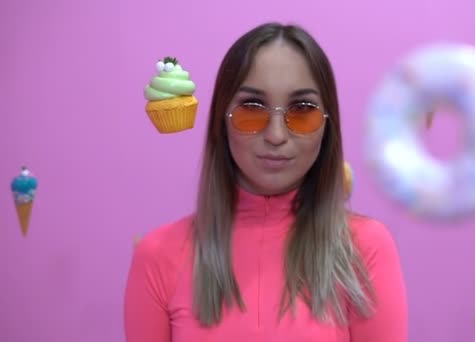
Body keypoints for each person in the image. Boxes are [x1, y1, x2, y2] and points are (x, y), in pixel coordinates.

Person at [124, 22, 408, 342]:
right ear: (222, 120)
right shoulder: (157, 256)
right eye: (252, 108)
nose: (276, 135)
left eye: (302, 109)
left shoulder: (366, 248)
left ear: (328, 127)